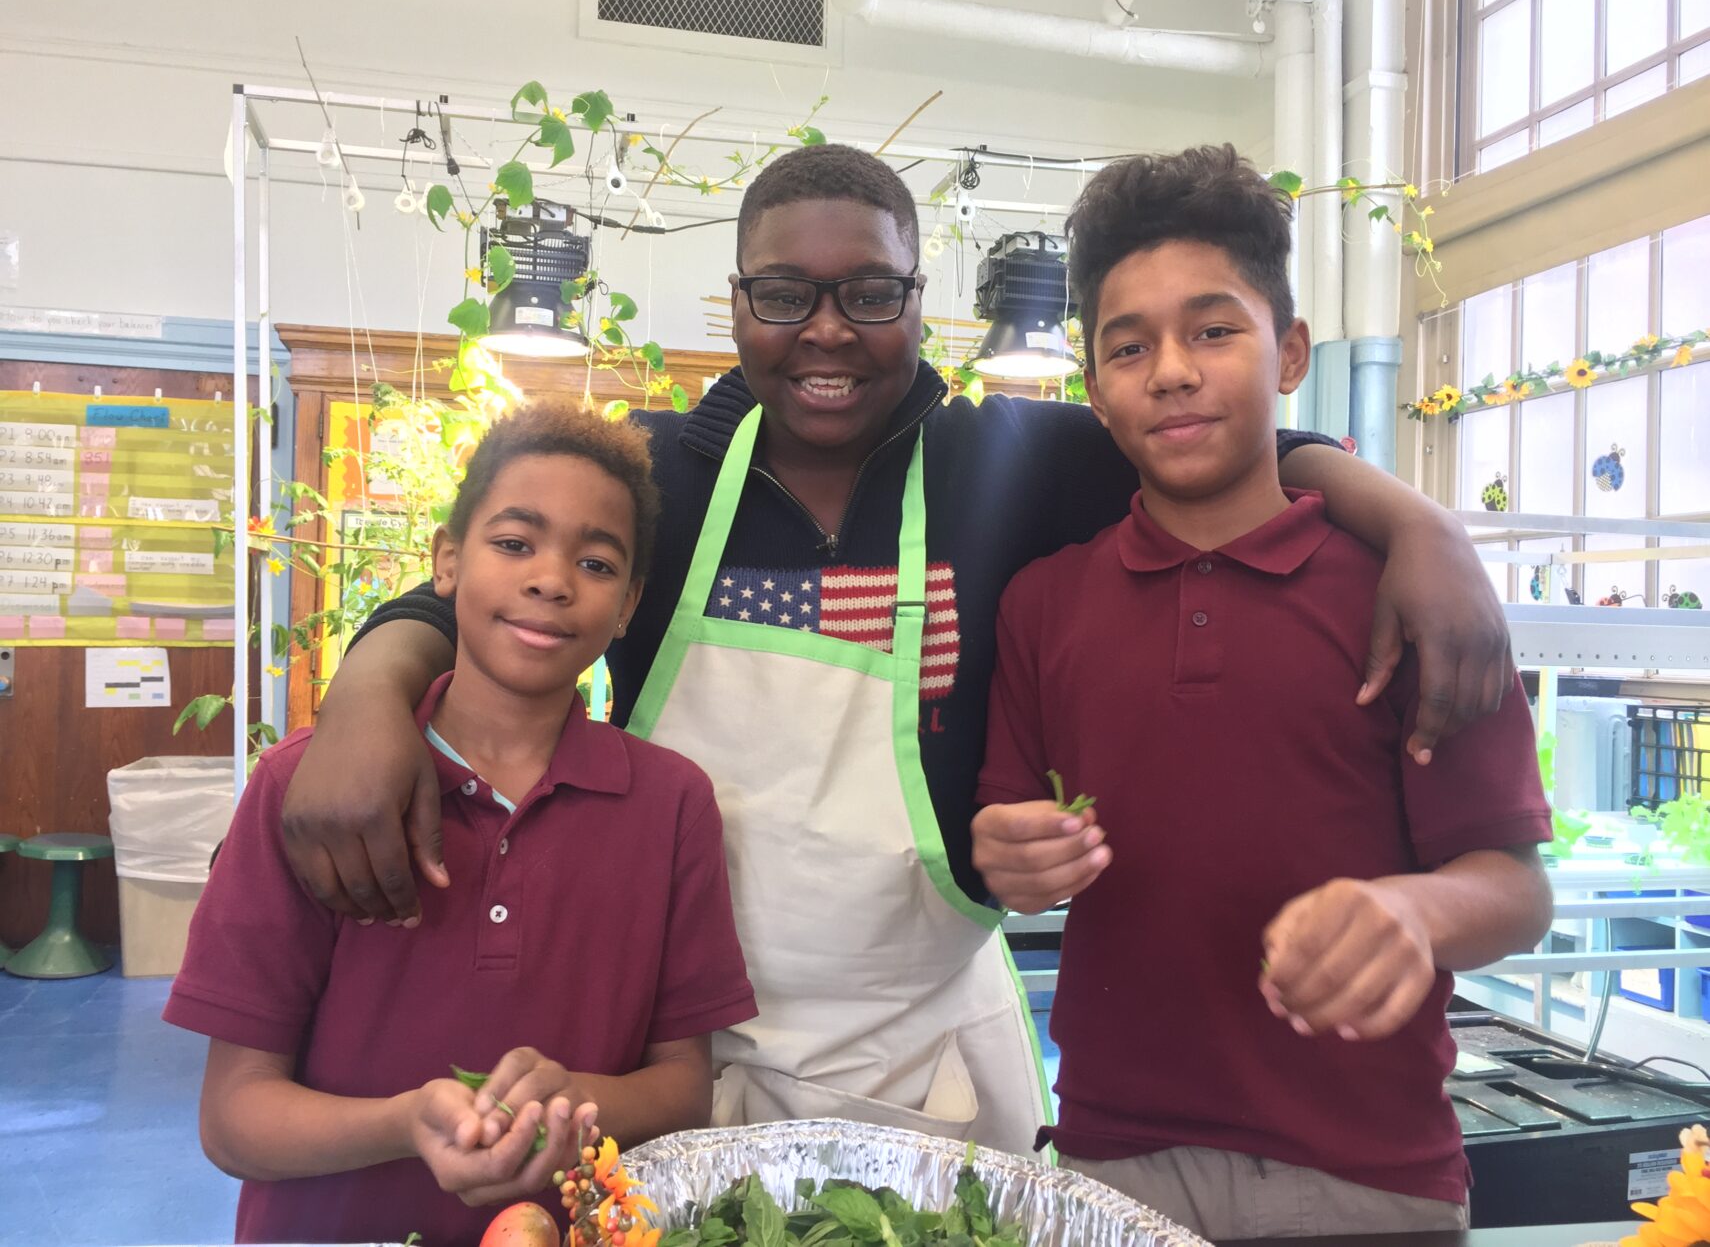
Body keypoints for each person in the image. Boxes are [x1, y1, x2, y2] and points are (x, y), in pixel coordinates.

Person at [276, 144, 1515, 1155]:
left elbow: (1226, 450)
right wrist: (371, 689)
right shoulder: (659, 471)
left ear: (921, 303)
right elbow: (500, 592)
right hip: (664, 1048)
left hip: (927, 1055)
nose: (828, 331)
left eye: (872, 293)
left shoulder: (1013, 465)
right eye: (784, 294)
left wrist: (1416, 523)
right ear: (739, 304)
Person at [971, 145, 1553, 1239]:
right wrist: (1013, 855)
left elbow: (1517, 890)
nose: (1173, 370)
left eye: (1213, 330)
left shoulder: (1409, 595)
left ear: (1288, 352)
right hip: (1108, 1155)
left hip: (1368, 1170)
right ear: (1094, 389)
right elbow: (1008, 847)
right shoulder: (1045, 602)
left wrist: (1411, 908)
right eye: (1128, 346)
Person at [163, 404, 756, 1246]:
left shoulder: (671, 804)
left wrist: (572, 1101)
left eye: (593, 561)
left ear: (627, 605)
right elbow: (232, 1117)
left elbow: (681, 1087)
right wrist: (406, 1122)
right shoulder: (310, 789)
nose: (551, 579)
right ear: (446, 560)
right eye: (515, 543)